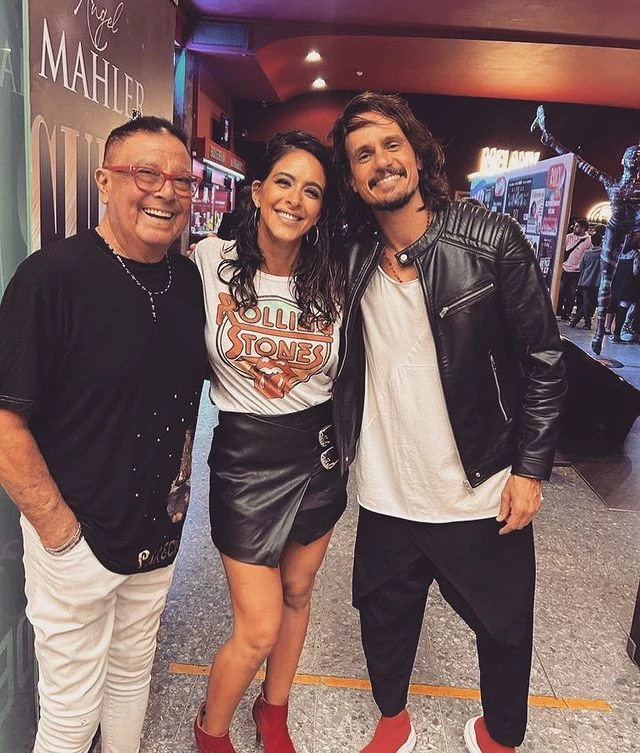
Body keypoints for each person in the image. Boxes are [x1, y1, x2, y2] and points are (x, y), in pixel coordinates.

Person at [329, 93, 566, 753]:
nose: (381, 161)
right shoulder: (351, 254)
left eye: (391, 144)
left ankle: (501, 735)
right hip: (387, 488)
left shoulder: (490, 240)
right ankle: (393, 721)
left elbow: (545, 359)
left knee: (504, 627)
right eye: (363, 154)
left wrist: (530, 469)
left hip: (480, 485)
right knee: (383, 617)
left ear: (416, 151)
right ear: (352, 177)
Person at [0, 116, 207, 753]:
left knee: (131, 675)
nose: (166, 191)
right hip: (77, 540)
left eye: (181, 179)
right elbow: (5, 422)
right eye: (146, 173)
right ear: (104, 180)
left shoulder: (187, 282)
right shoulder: (51, 278)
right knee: (70, 714)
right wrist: (60, 534)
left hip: (158, 532)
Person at [192, 131, 346, 753]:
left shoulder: (336, 278)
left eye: (312, 191)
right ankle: (211, 729)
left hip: (317, 456)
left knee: (298, 593)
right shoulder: (210, 260)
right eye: (284, 182)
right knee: (257, 628)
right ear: (256, 192)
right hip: (244, 460)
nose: (294, 199)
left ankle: (273, 708)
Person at [531, 105, 640, 353]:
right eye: (632, 154)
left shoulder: (622, 186)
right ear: (623, 160)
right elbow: (580, 163)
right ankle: (600, 329)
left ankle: (607, 328)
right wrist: (551, 140)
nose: (634, 158)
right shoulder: (612, 184)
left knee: (610, 282)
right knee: (605, 281)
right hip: (619, 229)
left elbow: (580, 162)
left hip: (629, 231)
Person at [556, 219, 593, 320]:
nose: (574, 228)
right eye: (575, 225)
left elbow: (588, 256)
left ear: (583, 228)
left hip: (576, 271)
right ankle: (558, 310)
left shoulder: (588, 241)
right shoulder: (568, 237)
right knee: (560, 291)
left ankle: (566, 313)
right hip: (564, 268)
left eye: (577, 226)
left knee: (571, 293)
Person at [570, 225, 605, 329]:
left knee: (586, 302)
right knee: (589, 303)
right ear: (601, 242)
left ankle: (584, 323)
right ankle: (580, 322)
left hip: (585, 281)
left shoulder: (587, 253)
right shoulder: (602, 254)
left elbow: (581, 267)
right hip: (597, 282)